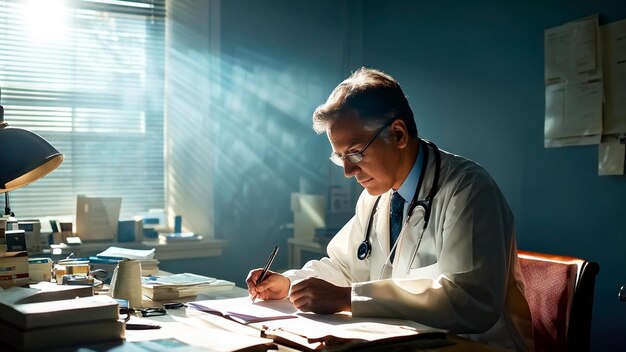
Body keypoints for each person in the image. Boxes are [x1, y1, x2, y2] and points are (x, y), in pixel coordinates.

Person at [246, 67, 533, 351]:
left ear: (397, 134)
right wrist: (290, 283)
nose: (348, 170)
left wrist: (350, 299)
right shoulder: (375, 197)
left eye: (356, 152)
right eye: (340, 156)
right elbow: (344, 268)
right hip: (402, 341)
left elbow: (471, 301)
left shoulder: (467, 188)